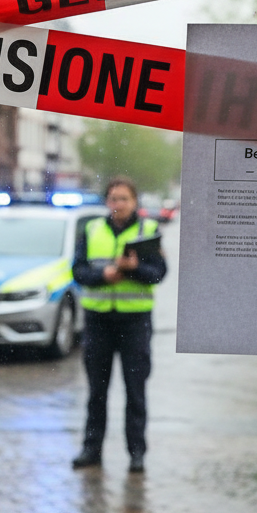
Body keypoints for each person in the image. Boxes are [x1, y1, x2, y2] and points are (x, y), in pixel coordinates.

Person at [71, 176, 166, 473]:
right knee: (96, 391)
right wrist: (103, 276)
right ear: (107, 201)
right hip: (98, 320)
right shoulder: (92, 229)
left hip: (135, 322)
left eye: (124, 198)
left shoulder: (148, 230)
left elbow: (159, 273)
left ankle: (136, 452)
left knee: (135, 390)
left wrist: (134, 269)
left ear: (134, 202)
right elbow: (78, 271)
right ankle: (92, 449)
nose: (119, 204)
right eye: (114, 198)